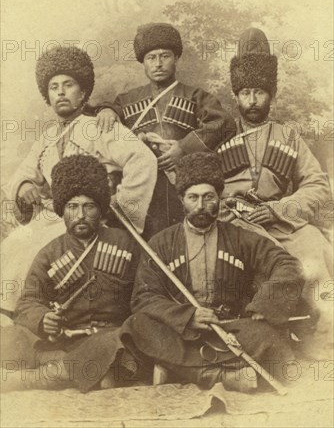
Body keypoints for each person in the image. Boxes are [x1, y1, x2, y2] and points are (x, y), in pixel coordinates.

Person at [129, 152, 304, 392]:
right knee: (138, 326)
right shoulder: (160, 243)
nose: (200, 206)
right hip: (181, 331)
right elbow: (144, 297)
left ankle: (178, 370)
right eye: (193, 197)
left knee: (269, 337)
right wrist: (188, 317)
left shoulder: (240, 237)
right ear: (181, 199)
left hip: (231, 329)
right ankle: (220, 376)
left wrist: (265, 303)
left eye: (208, 197)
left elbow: (288, 264)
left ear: (219, 197)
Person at [1, 46, 157, 313]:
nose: (60, 92)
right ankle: (11, 315)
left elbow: (143, 160)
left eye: (68, 85)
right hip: (53, 216)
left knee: (39, 247)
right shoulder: (47, 137)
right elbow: (21, 174)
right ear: (47, 96)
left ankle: (32, 313)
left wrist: (118, 206)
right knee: (15, 242)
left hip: (90, 217)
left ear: (83, 93)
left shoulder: (100, 126)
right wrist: (24, 186)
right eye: (53, 87)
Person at [218, 28, 333, 330]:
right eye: (245, 93)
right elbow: (199, 184)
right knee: (275, 261)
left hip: (280, 220)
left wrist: (279, 209)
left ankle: (322, 337)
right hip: (234, 224)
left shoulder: (288, 136)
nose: (252, 100)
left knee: (317, 248)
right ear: (236, 96)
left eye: (259, 92)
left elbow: (317, 185)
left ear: (271, 94)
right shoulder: (220, 136)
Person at [1, 155, 146, 393]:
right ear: (61, 210)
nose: (80, 215)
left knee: (115, 344)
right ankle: (76, 371)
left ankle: (41, 378)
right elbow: (28, 302)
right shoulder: (50, 252)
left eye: (89, 206)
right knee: (10, 338)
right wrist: (43, 318)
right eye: (72, 207)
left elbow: (144, 296)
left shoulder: (125, 244)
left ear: (100, 210)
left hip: (113, 337)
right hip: (68, 341)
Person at [98, 23, 236, 237]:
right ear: (143, 63)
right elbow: (105, 117)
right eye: (151, 58)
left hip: (182, 186)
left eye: (165, 56)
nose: (158, 64)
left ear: (177, 58)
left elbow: (224, 124)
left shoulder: (195, 96)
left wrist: (183, 147)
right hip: (141, 189)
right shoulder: (127, 100)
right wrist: (107, 110)